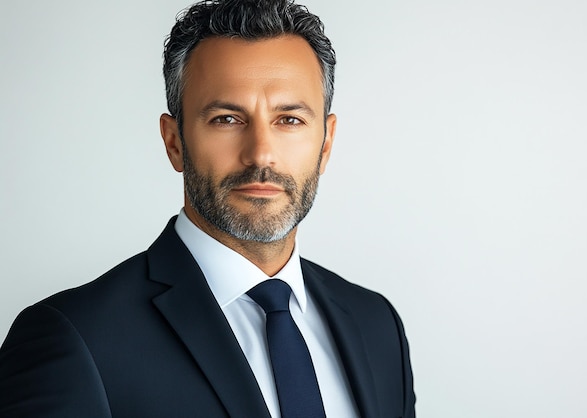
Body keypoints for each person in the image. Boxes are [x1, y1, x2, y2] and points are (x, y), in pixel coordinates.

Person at [0, 0, 415, 416]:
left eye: (289, 120)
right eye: (227, 119)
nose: (261, 154)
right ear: (174, 142)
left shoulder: (377, 325)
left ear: (325, 144)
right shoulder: (74, 339)